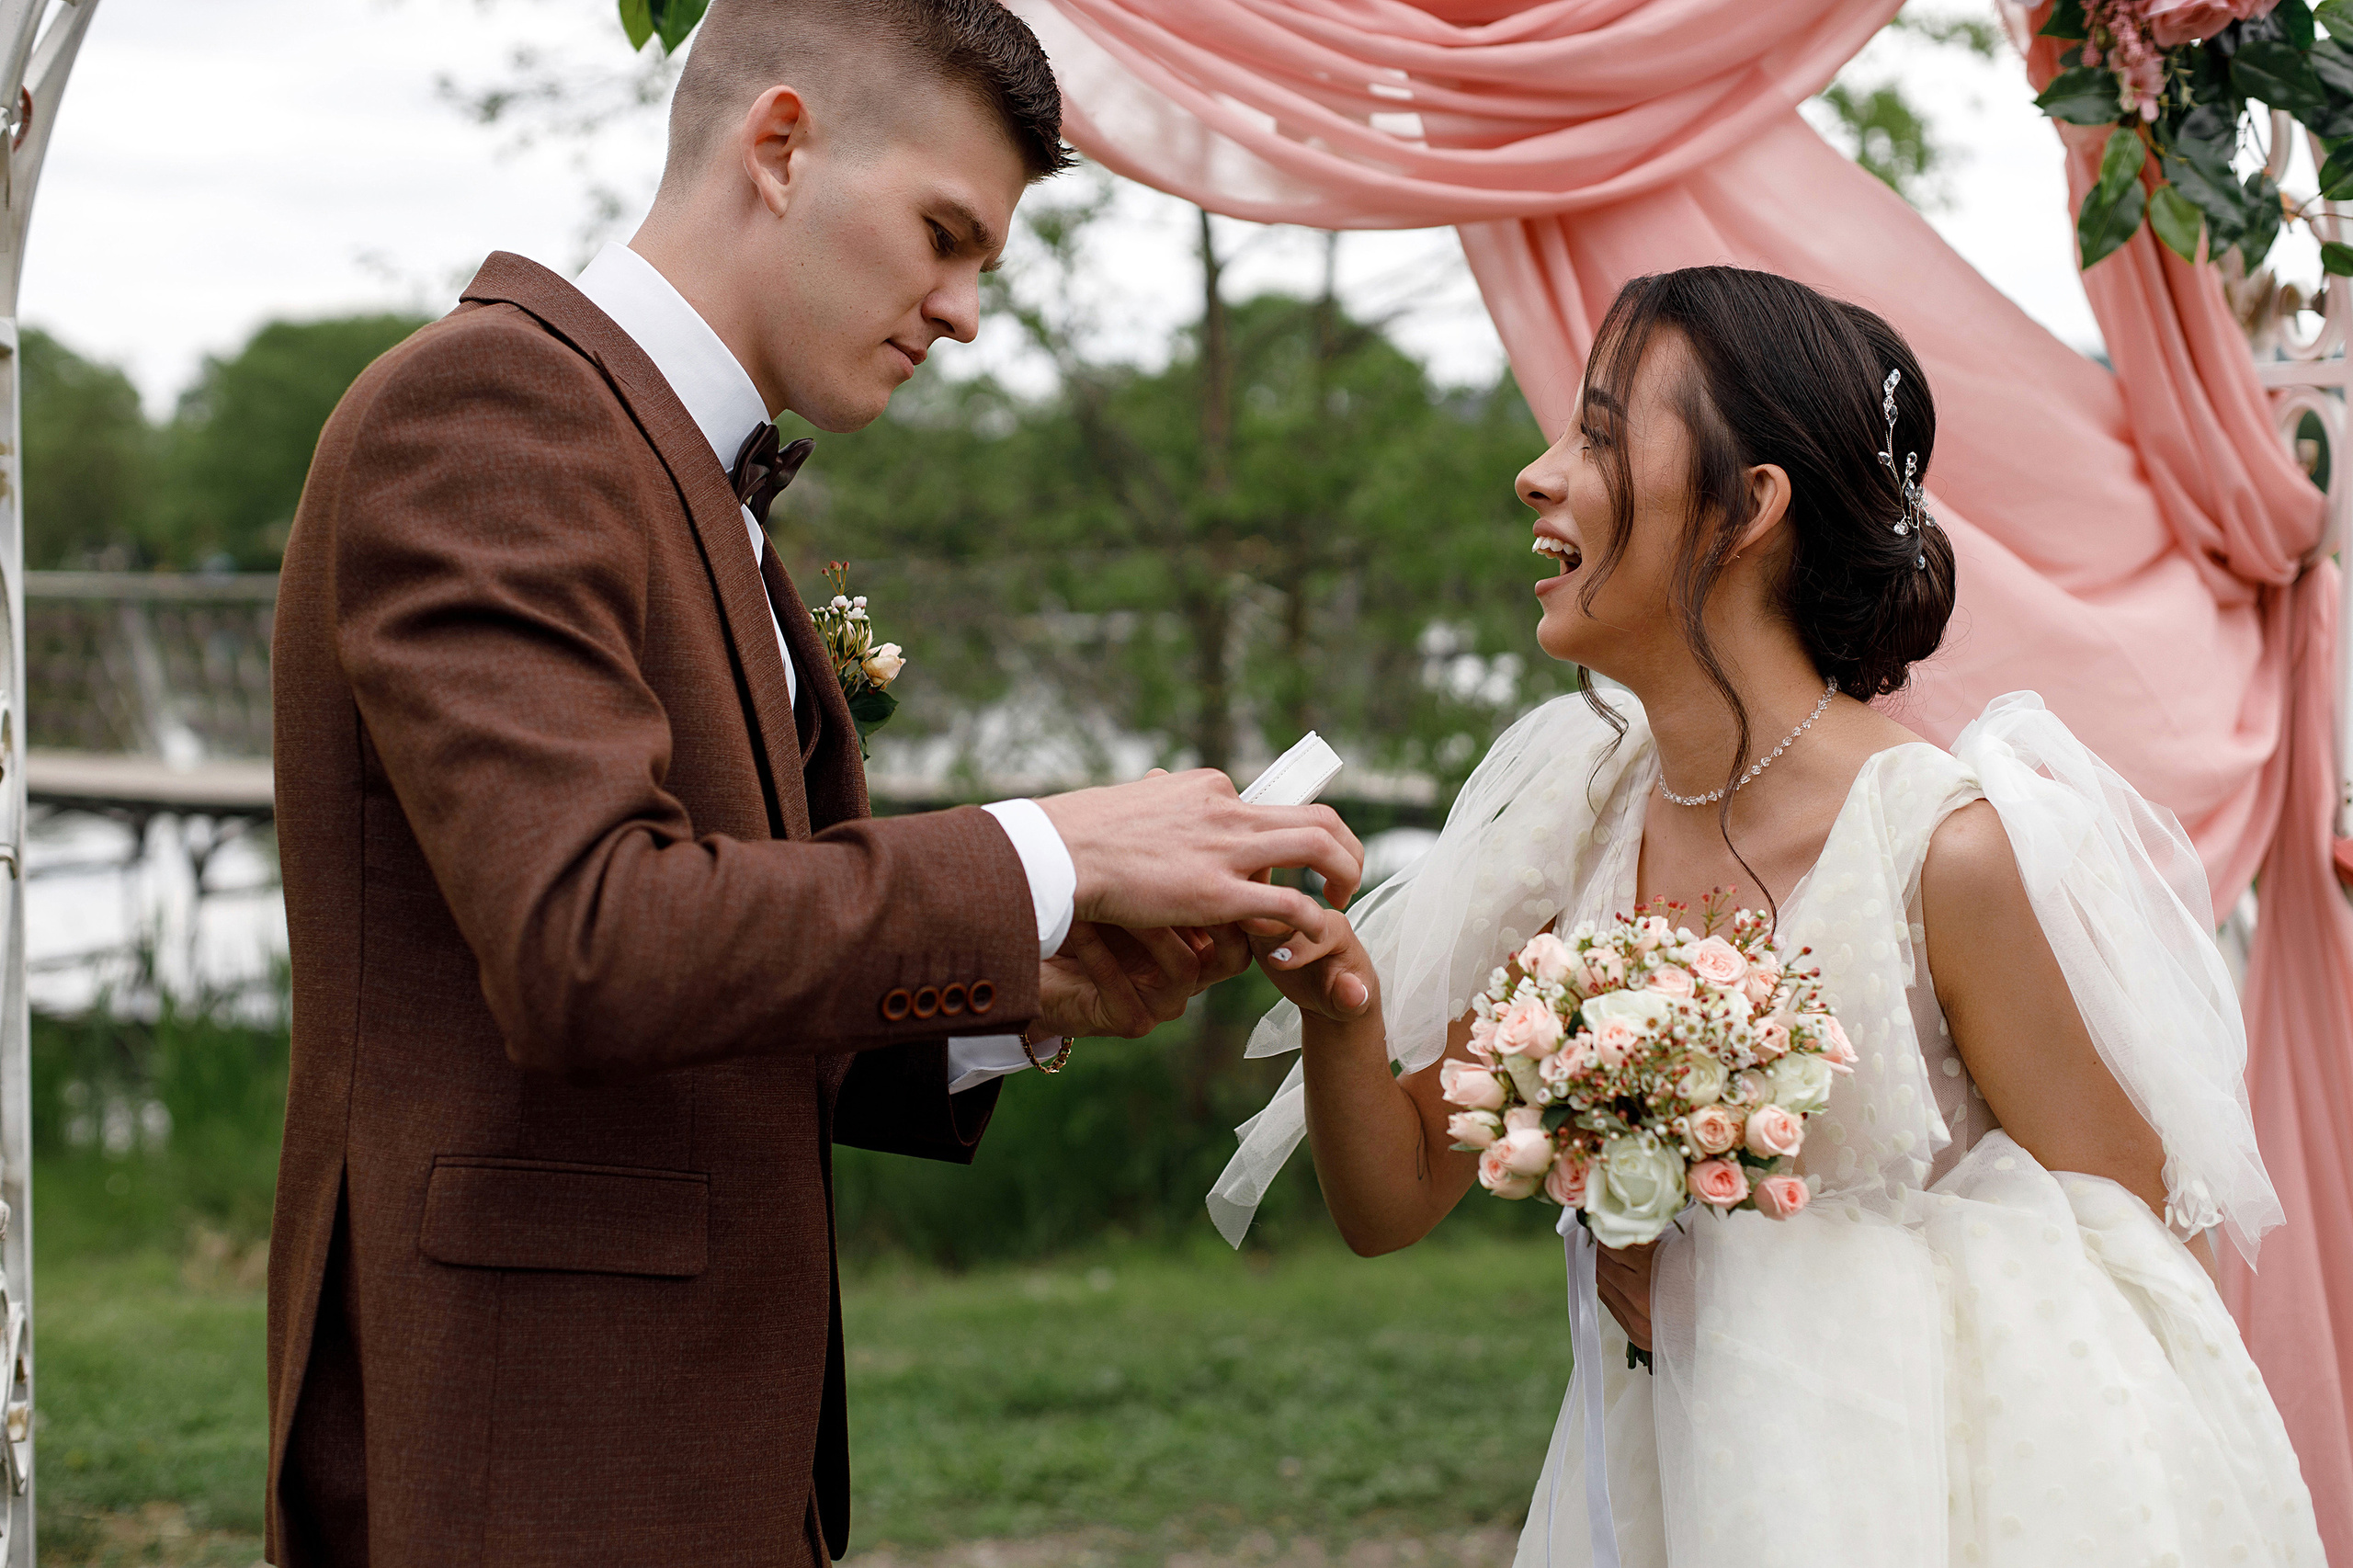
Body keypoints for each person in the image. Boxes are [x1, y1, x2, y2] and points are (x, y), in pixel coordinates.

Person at [264, 4, 1361, 1564]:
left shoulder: (688, 478)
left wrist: (1020, 992)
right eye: (943, 234)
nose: (965, 312)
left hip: (684, 1456)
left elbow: (719, 973)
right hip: (524, 1456)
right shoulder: (489, 416)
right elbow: (589, 940)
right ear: (779, 147)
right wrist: (1039, 851)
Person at [1213, 267, 2324, 1564]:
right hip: (1661, 1484)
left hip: (1916, 1494)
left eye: (1601, 434)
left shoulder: (1938, 850)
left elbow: (2129, 1251)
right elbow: (1391, 1195)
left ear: (1748, 507)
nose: (1536, 472)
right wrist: (1341, 1001)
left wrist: (1740, 1284)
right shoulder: (1581, 810)